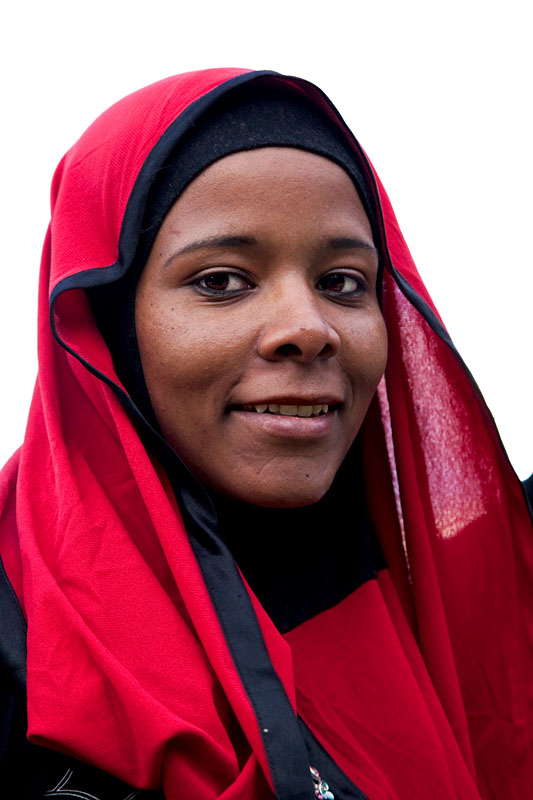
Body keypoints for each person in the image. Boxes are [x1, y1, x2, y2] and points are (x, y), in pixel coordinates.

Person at [0, 68, 531, 800]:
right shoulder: (14, 631)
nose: (307, 331)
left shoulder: (476, 587)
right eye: (221, 281)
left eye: (343, 282)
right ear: (107, 324)